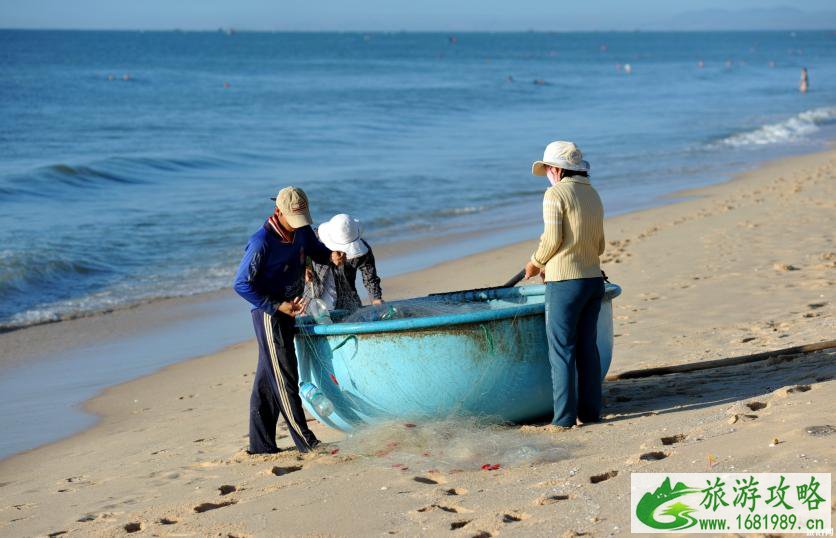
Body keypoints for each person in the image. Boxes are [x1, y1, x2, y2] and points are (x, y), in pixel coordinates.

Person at [233, 186, 344, 454]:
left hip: (292, 308)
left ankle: (261, 446)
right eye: (293, 221)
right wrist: (277, 305)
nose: (298, 227)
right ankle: (306, 442)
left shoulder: (302, 231)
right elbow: (241, 284)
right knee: (285, 377)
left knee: (267, 378)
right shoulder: (262, 242)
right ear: (278, 212)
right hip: (270, 315)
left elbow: (316, 250)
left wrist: (330, 256)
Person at [524, 141, 605, 428]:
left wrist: (536, 262)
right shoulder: (593, 194)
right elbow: (600, 244)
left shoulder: (554, 194)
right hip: (594, 280)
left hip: (565, 284)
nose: (546, 174)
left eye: (546, 168)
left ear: (556, 170)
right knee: (587, 349)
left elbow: (552, 239)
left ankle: (563, 420)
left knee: (562, 352)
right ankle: (592, 413)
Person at [304, 213, 383, 312]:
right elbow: (296, 252)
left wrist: (376, 298)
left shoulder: (362, 251)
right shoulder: (314, 239)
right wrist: (305, 268)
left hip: (347, 301)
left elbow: (370, 278)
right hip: (313, 299)